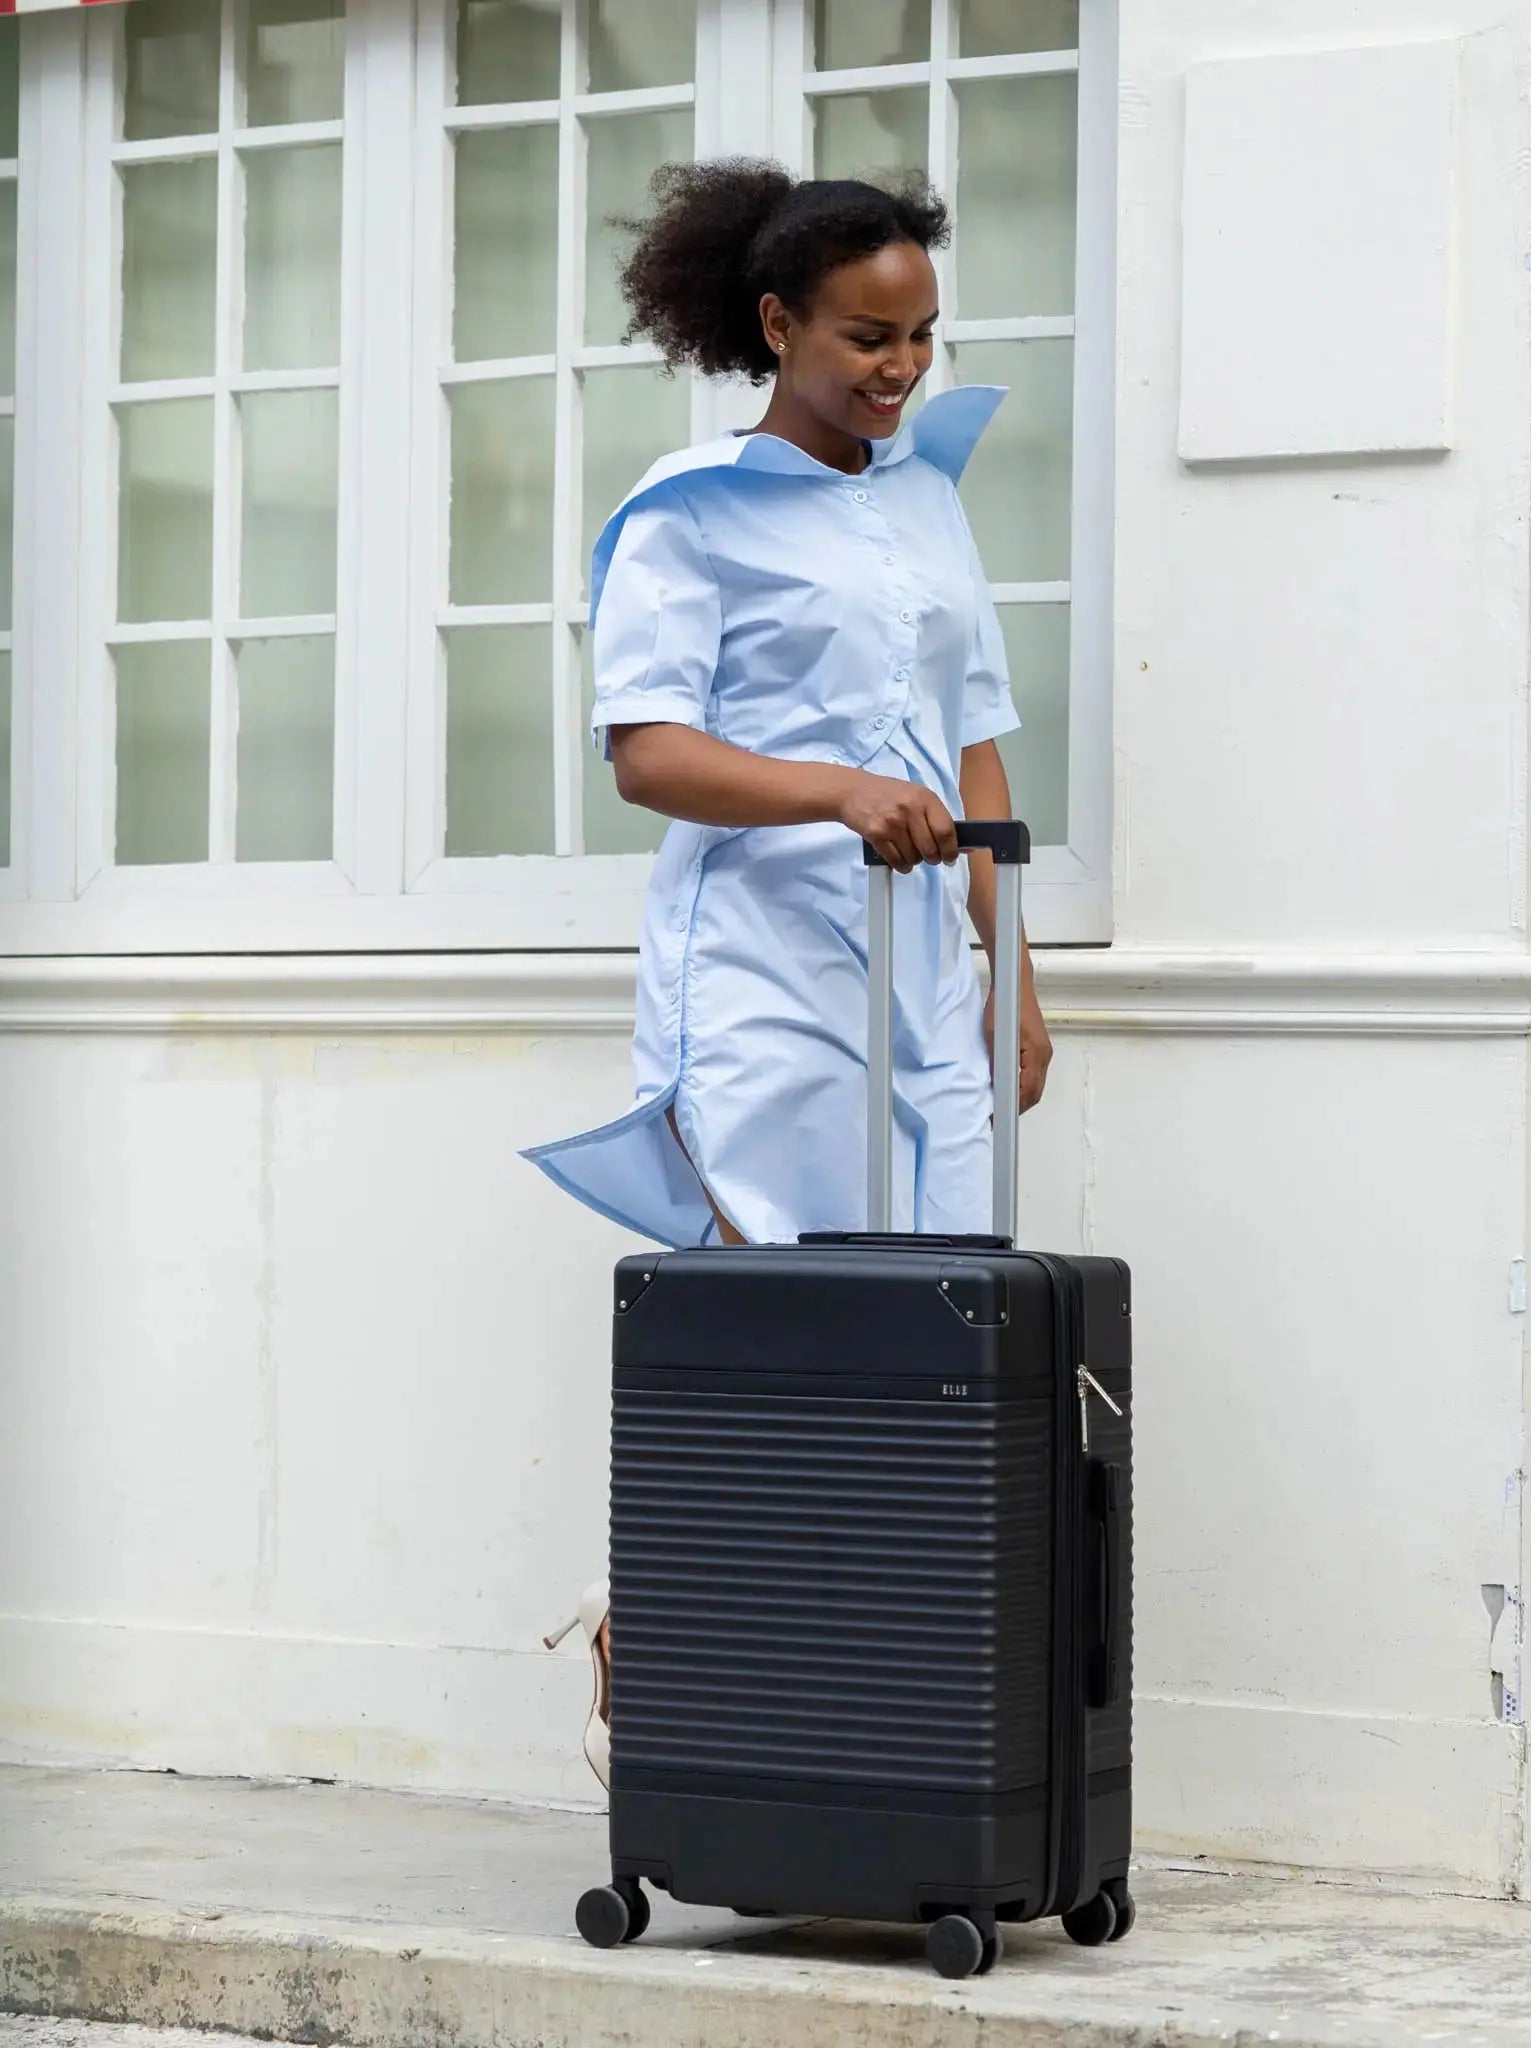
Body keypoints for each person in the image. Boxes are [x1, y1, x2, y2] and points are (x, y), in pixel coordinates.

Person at [523, 160, 1053, 1786]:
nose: (900, 369)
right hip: (763, 966)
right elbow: (648, 753)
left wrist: (1013, 973)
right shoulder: (688, 514)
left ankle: (875, 1728)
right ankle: (666, 1649)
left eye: (921, 337)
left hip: (922, 972)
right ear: (775, 324)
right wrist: (834, 790)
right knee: (778, 1320)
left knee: (944, 1329)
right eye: (865, 339)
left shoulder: (929, 497)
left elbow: (974, 741)